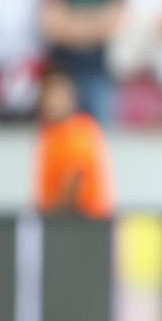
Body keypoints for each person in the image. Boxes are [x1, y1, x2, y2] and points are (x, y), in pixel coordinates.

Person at [33, 66, 113, 219]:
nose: (52, 101)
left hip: (81, 224)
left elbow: (75, 178)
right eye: (49, 94)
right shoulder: (49, 133)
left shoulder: (79, 130)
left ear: (71, 98)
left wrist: (54, 218)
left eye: (58, 95)